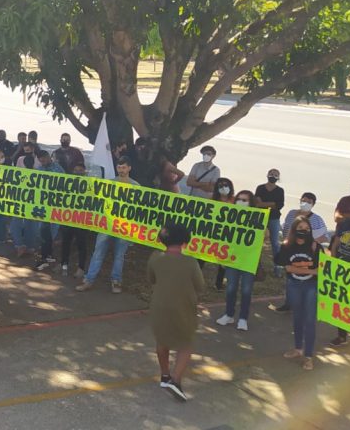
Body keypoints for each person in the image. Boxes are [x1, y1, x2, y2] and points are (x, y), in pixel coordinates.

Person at [148, 223, 204, 402]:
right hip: (183, 307)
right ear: (185, 242)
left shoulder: (155, 258)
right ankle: (176, 380)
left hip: (159, 305)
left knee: (162, 341)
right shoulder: (191, 262)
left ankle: (165, 375)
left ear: (161, 239)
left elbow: (151, 279)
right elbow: (200, 286)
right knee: (185, 344)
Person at [77, 157, 138, 293]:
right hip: (106, 224)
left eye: (124, 167)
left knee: (119, 255)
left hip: (124, 226)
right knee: (98, 253)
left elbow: (137, 209)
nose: (121, 170)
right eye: (119, 167)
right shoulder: (109, 183)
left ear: (129, 168)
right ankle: (89, 280)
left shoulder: (136, 186)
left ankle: (116, 281)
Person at [277, 217, 322, 370]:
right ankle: (298, 348)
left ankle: (308, 357)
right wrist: (310, 270)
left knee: (309, 320)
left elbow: (320, 270)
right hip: (294, 285)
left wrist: (296, 268)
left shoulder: (315, 247)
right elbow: (286, 267)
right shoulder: (287, 245)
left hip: (311, 286)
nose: (304, 231)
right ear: (294, 229)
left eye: (307, 229)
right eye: (300, 228)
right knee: (297, 317)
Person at [215, 191, 258, 331]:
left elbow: (265, 236)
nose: (241, 202)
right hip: (232, 258)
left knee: (246, 290)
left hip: (249, 260)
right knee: (231, 288)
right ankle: (229, 314)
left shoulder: (258, 218)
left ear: (251, 202)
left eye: (245, 200)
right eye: (239, 199)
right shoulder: (230, 216)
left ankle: (243, 318)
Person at [327, 198, 350, 350]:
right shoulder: (345, 224)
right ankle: (342, 336)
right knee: (342, 304)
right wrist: (334, 261)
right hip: (342, 271)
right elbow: (335, 243)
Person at [254, 168, 285, 274]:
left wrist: (264, 204)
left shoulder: (280, 190)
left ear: (278, 177)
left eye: (276, 174)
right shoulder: (260, 188)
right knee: (256, 242)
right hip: (260, 217)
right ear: (267, 175)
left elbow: (279, 205)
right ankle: (255, 265)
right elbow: (257, 203)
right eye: (271, 173)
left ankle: (278, 267)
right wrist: (272, 204)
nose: (273, 176)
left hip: (274, 218)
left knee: (275, 243)